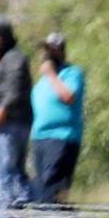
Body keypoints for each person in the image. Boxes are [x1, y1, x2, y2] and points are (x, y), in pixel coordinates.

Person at [0, 17, 32, 216]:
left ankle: (6, 211)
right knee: (13, 171)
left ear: (1, 37)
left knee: (7, 170)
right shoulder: (0, 59)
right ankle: (15, 208)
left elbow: (13, 93)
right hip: (8, 122)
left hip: (13, 123)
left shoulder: (15, 59)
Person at [30, 31, 85, 204]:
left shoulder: (72, 73)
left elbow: (68, 96)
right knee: (41, 190)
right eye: (45, 50)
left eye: (52, 50)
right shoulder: (42, 81)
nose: (47, 55)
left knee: (52, 187)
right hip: (40, 138)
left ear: (61, 51)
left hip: (61, 138)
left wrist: (51, 75)